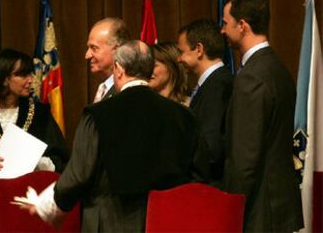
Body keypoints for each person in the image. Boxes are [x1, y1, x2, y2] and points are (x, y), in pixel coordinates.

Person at [16, 40, 198, 232]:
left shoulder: (99, 114)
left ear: (118, 69)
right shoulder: (183, 115)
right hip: (167, 221)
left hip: (111, 221)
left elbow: (79, 174)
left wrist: (45, 206)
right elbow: (196, 174)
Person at [220, 0, 303, 231]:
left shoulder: (252, 77)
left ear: (242, 25)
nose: (223, 31)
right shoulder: (277, 67)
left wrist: (230, 210)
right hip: (278, 206)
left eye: (226, 23)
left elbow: (246, 159)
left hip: (260, 212)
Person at [178, 19, 233, 184]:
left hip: (210, 186)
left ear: (199, 50)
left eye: (182, 51)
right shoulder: (213, 84)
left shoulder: (217, 86)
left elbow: (211, 148)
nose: (179, 59)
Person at [85, 17, 131, 102]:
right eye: (88, 48)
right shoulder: (103, 88)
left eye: (94, 48)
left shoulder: (127, 90)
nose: (87, 55)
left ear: (117, 50)